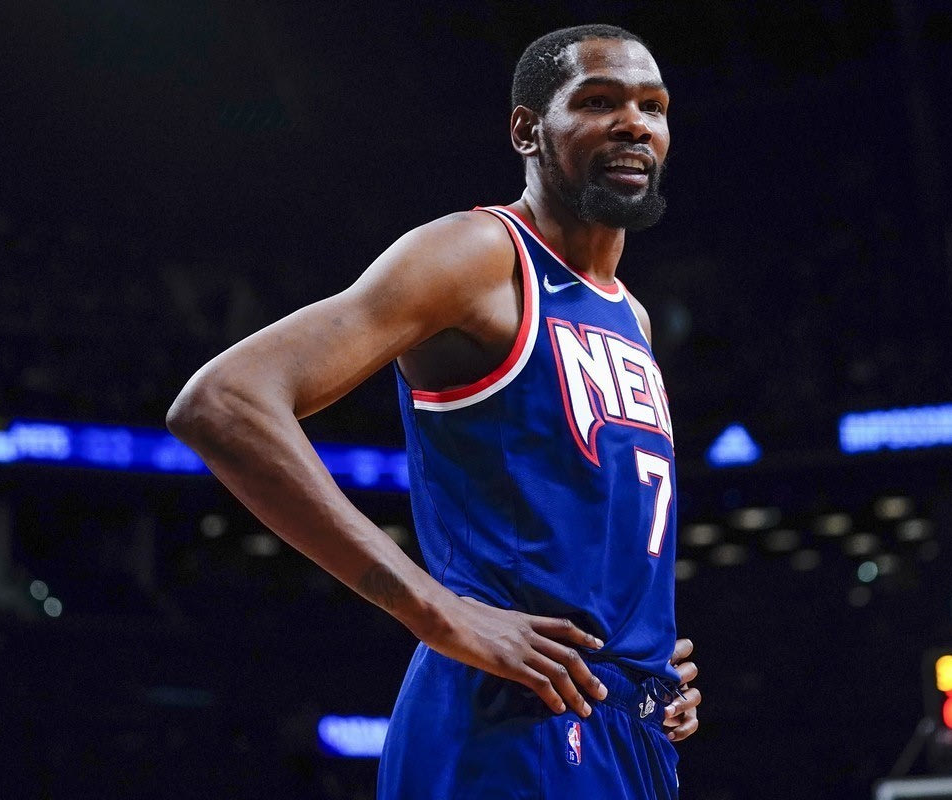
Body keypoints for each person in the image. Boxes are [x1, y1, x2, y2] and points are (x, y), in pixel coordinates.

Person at [167, 23, 700, 798]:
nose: (634, 124)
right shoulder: (479, 254)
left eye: (653, 106)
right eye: (598, 101)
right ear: (526, 130)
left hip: (625, 730)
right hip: (510, 723)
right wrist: (435, 610)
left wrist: (645, 667)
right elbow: (223, 400)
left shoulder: (633, 316)